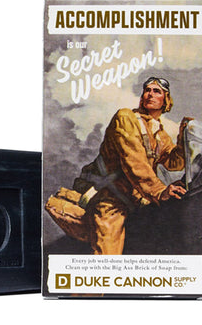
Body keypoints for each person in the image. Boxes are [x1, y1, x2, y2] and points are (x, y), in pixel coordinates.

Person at [73, 77, 191, 255]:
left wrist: (183, 138)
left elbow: (175, 163)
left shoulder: (159, 133)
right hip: (111, 198)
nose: (150, 94)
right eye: (147, 90)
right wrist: (160, 191)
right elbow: (134, 162)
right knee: (108, 257)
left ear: (166, 100)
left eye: (156, 91)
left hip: (137, 199)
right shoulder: (126, 118)